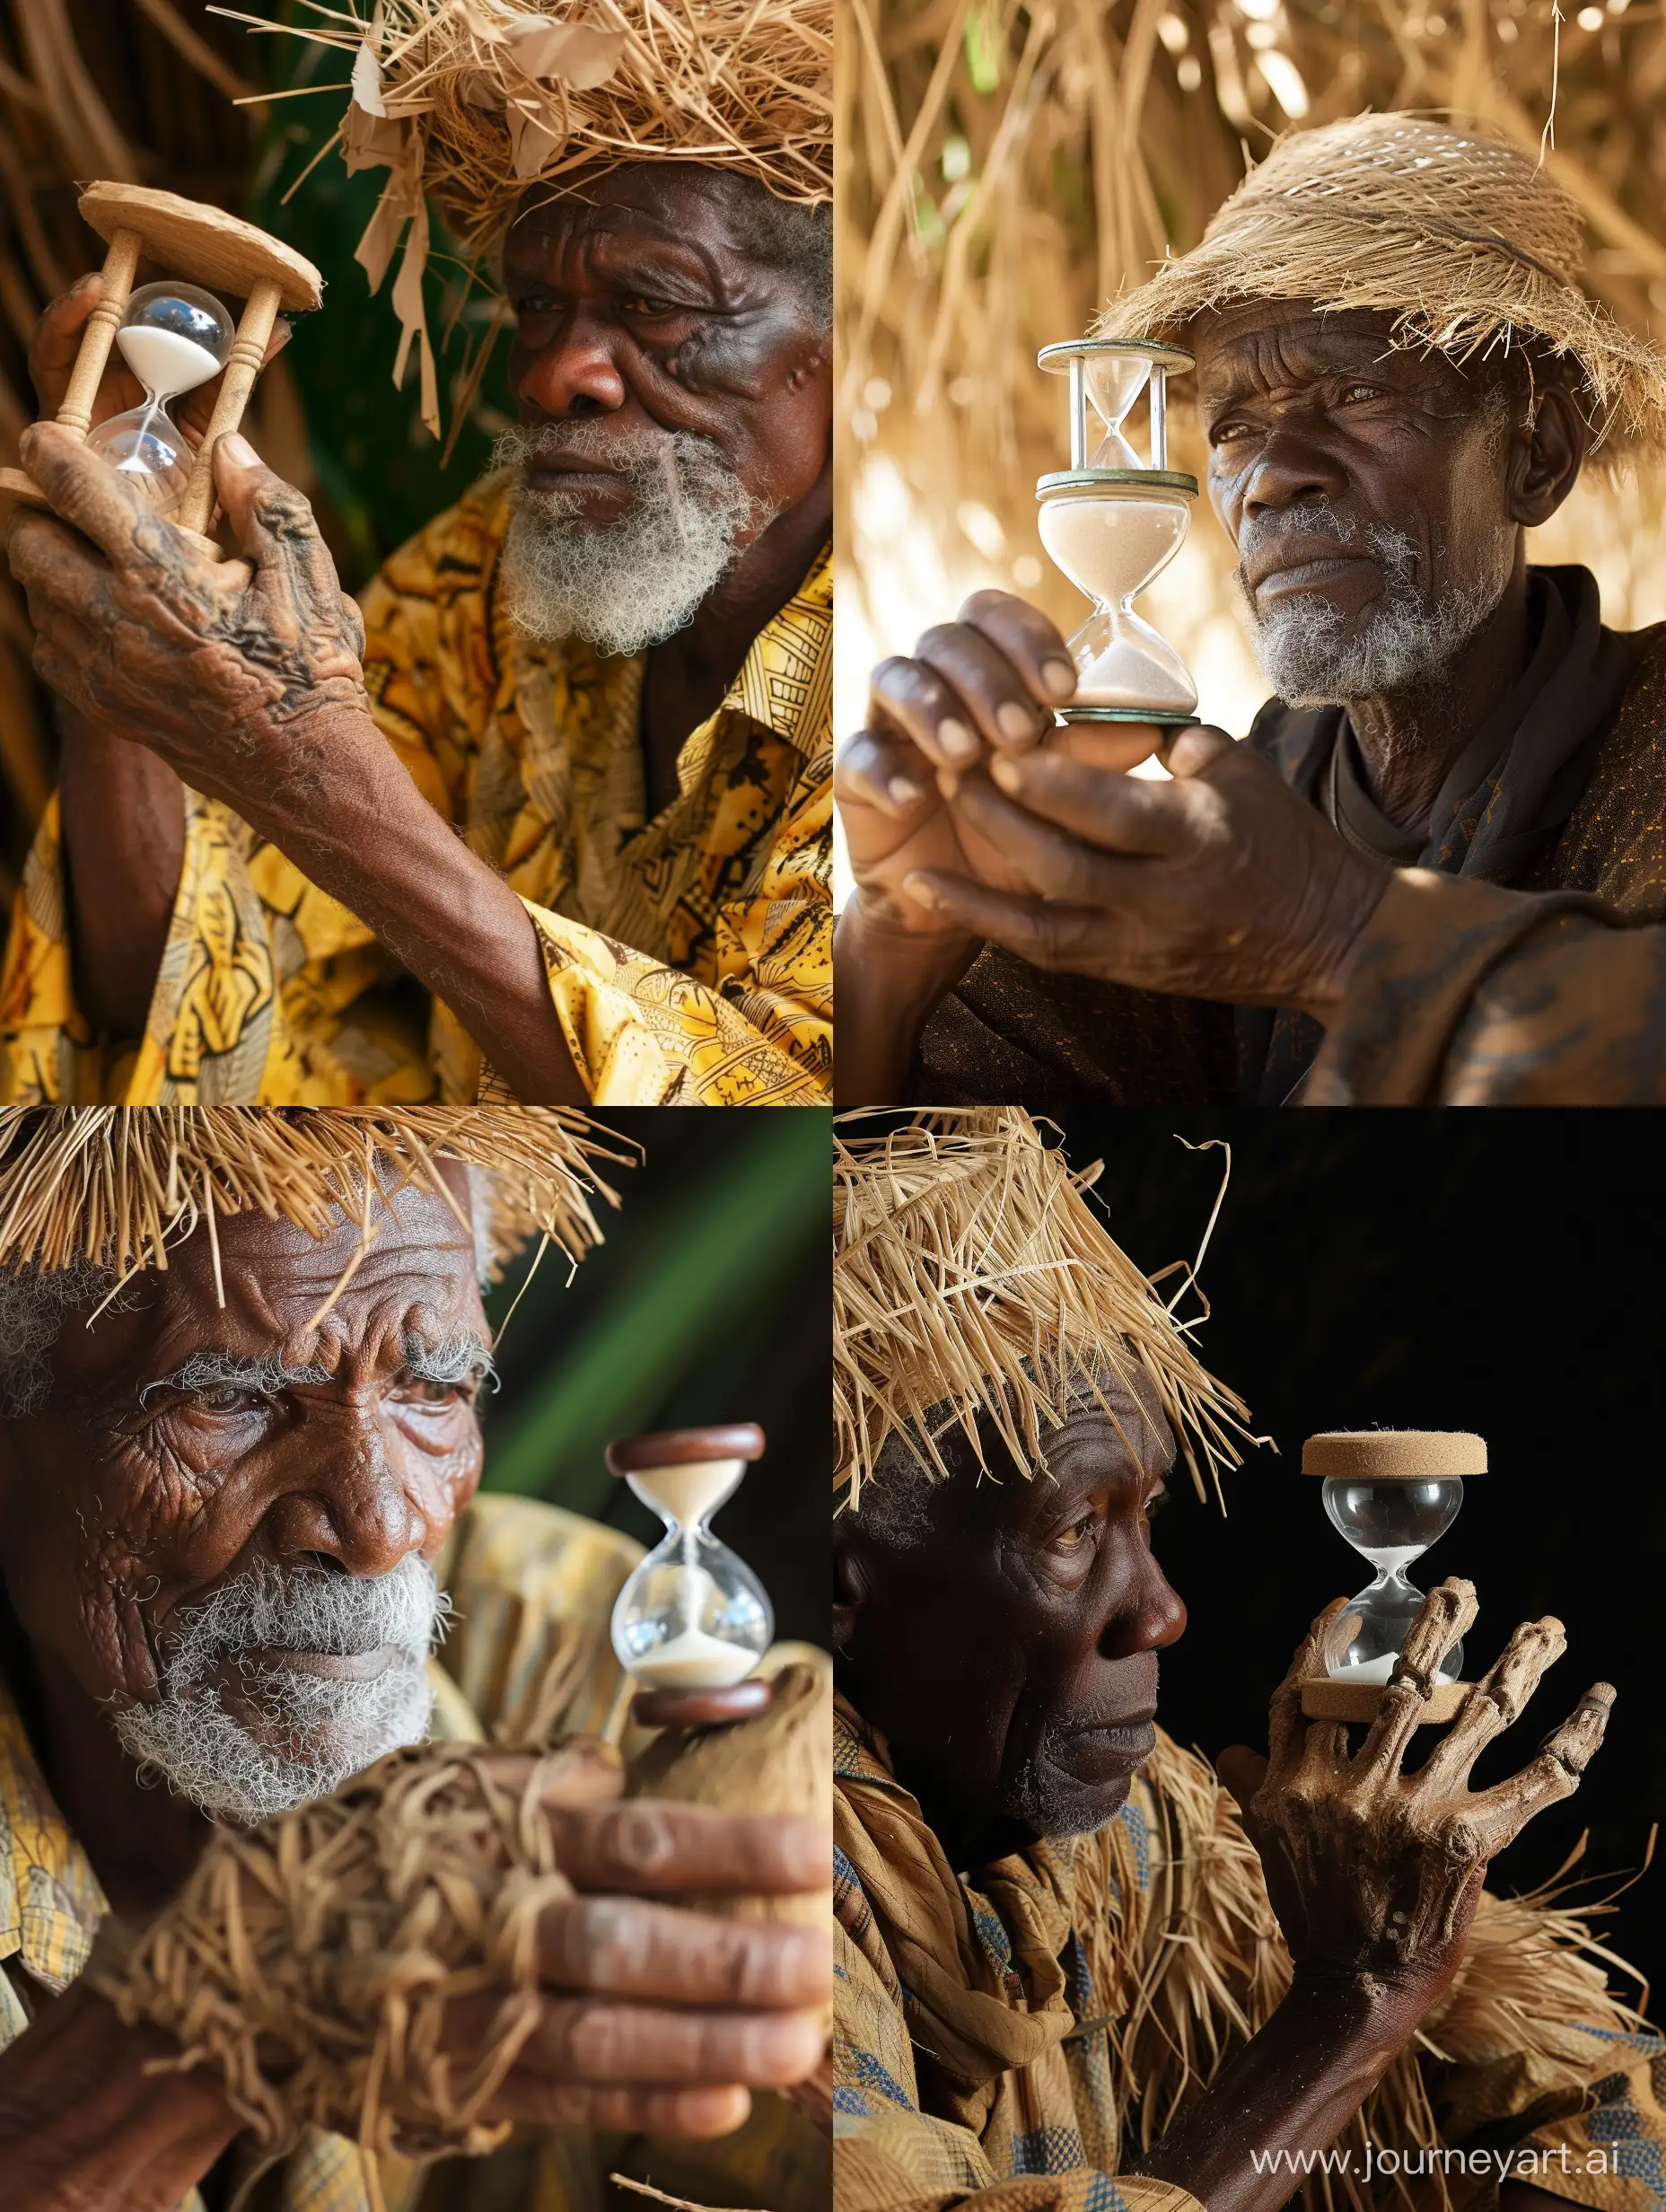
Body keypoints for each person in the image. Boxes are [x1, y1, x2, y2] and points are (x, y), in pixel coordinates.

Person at [2, 0, 832, 1110]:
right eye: (538, 304)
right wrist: (125, 660)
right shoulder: (486, 580)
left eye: (655, 303)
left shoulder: (908, 684)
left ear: (834, 352)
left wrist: (308, 764)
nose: (552, 376)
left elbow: (791, 1120)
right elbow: (173, 996)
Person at [0, 1106, 830, 2211]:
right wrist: (192, 2034)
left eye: (432, 1394)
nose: (383, 1526)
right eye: (231, 1400)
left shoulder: (580, 1647)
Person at [830, 1107, 1663, 2208]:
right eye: (1074, 1529)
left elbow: (1595, 2077)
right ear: (839, 1587)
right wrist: (1351, 2000)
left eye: (1149, 1516)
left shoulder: (1130, 1829)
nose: (1163, 1611)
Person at [835, 115, 1666, 1108]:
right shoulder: (1221, 833)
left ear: (1534, 457)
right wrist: (895, 941)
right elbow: (916, 1199)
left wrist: (1337, 934)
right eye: (1234, 427)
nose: (1270, 479)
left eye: (1353, 392)